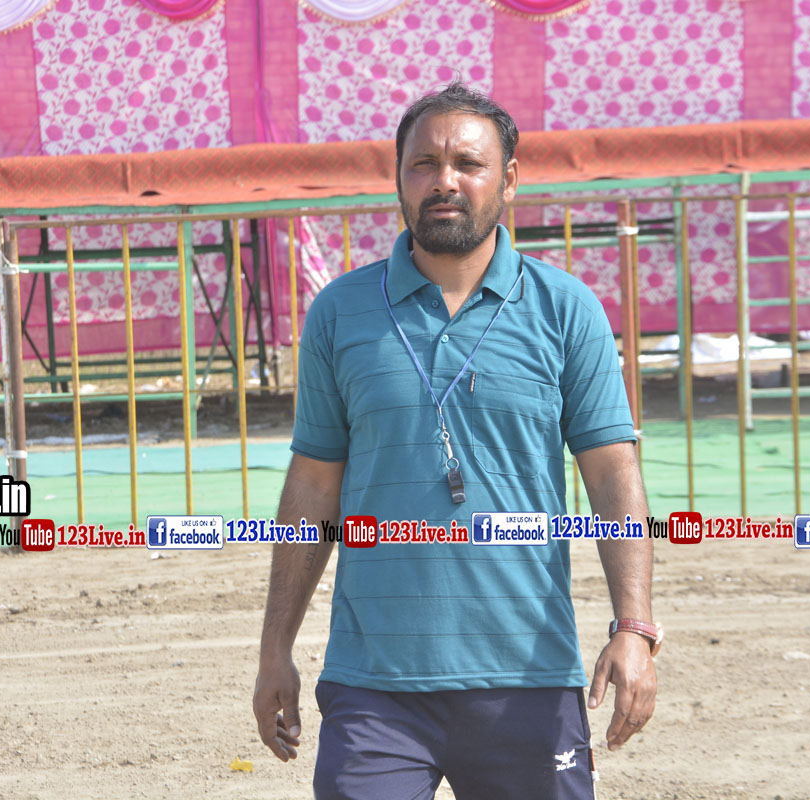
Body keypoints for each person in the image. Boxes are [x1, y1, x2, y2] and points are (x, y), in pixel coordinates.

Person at [253, 82, 657, 800]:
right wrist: (274, 649)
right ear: (398, 177)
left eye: (468, 164)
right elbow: (314, 485)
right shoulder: (341, 312)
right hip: (373, 687)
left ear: (507, 179)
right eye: (423, 163)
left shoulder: (566, 309)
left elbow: (610, 473)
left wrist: (634, 627)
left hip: (528, 676)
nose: (444, 181)